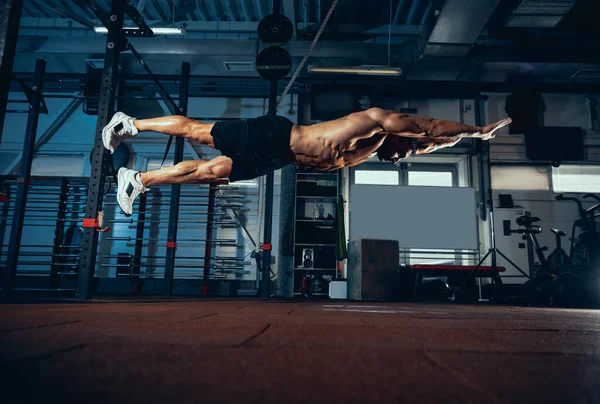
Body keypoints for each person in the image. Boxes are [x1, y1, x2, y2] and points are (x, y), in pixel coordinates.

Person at [102, 108, 511, 215]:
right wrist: (476, 131)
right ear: (400, 135)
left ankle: (138, 179)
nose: (402, 156)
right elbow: (430, 127)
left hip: (277, 158)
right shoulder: (373, 123)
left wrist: (456, 144)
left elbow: (430, 143)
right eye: (405, 150)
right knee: (194, 131)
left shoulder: (375, 151)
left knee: (211, 174)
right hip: (275, 134)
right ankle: (131, 123)